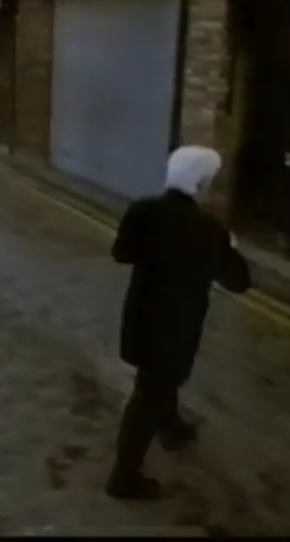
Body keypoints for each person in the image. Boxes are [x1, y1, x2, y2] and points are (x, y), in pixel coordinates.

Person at [105, 145, 251, 501]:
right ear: (200, 184)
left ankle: (171, 427)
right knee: (148, 394)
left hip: (141, 318)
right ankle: (124, 477)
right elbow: (238, 281)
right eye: (211, 182)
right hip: (177, 325)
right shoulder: (208, 229)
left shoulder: (142, 210)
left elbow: (121, 253)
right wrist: (229, 248)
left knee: (155, 379)